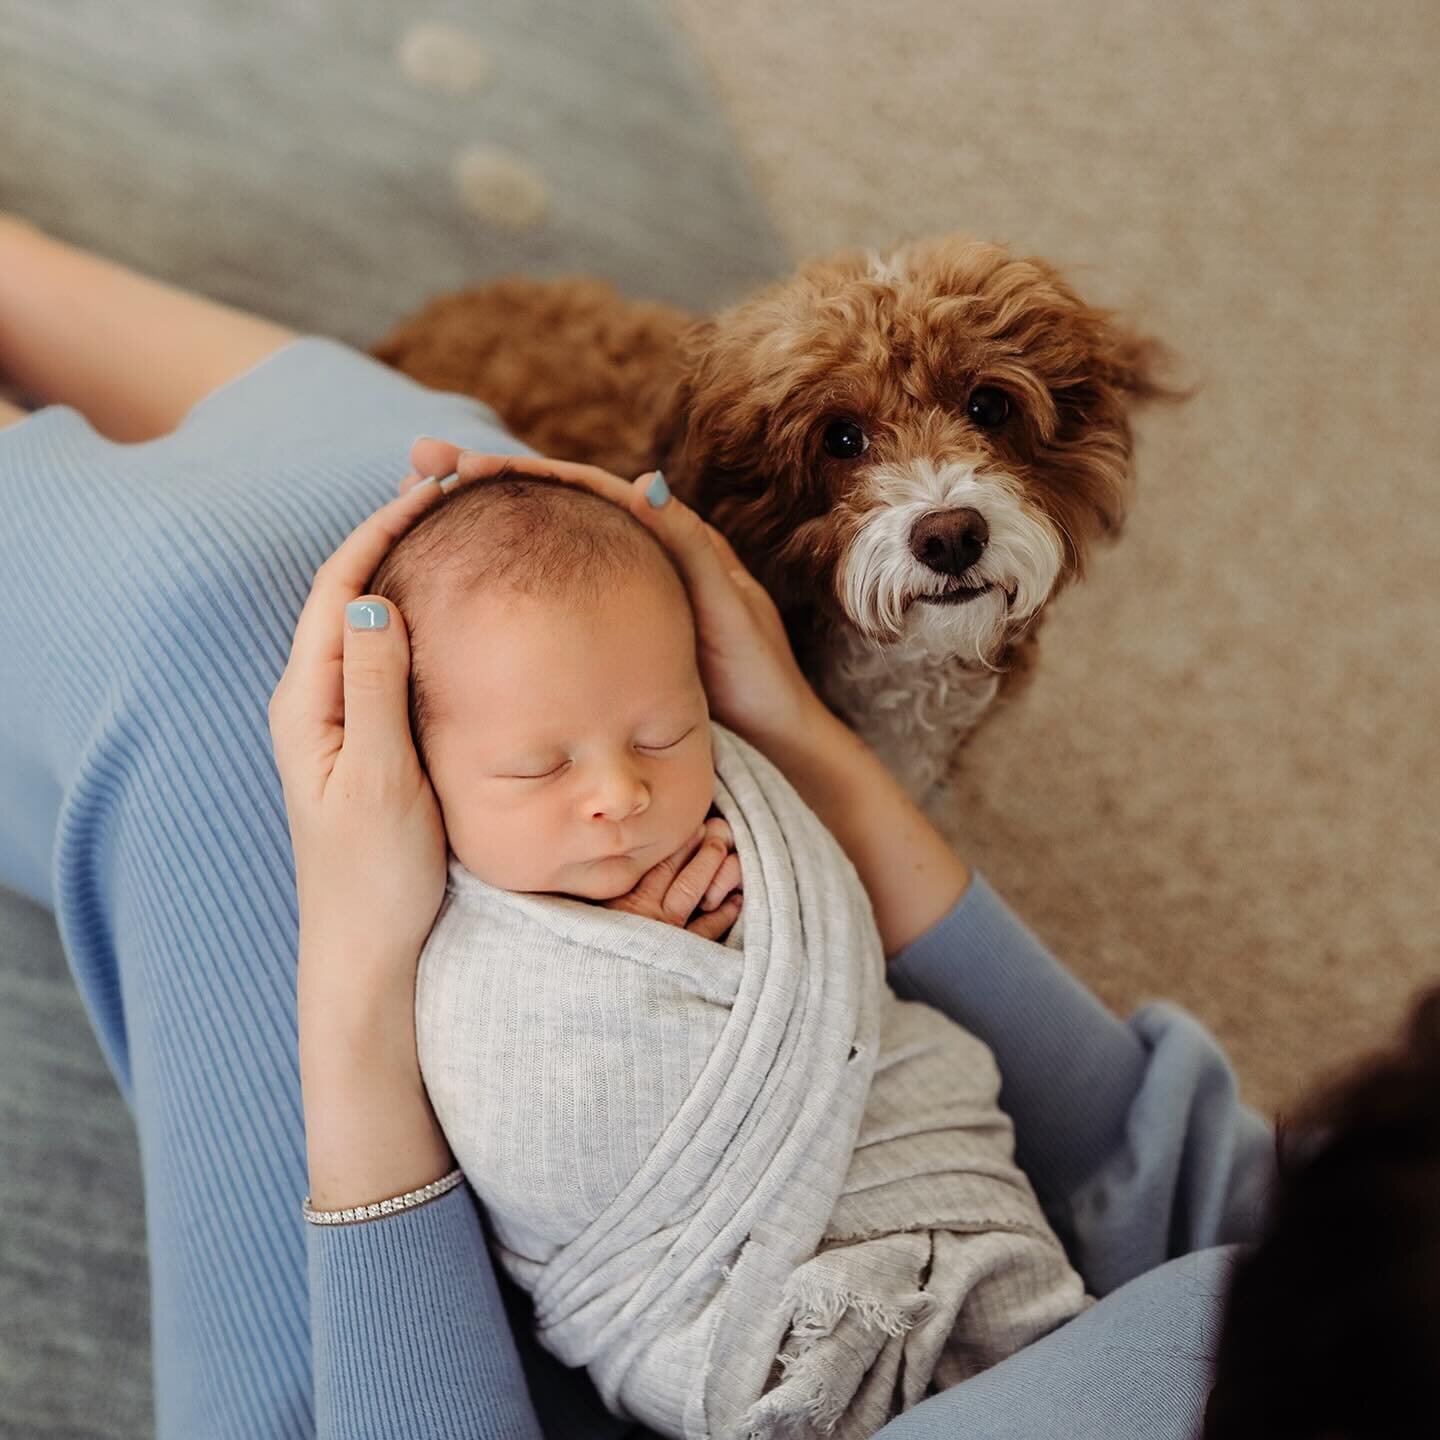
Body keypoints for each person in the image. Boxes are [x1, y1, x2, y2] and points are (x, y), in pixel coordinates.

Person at [0, 213, 1369, 1439]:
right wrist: (806, 743)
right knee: (444, 497)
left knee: (203, 632)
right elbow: (1188, 1174)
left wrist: (360, 949)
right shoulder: (1338, 1287)